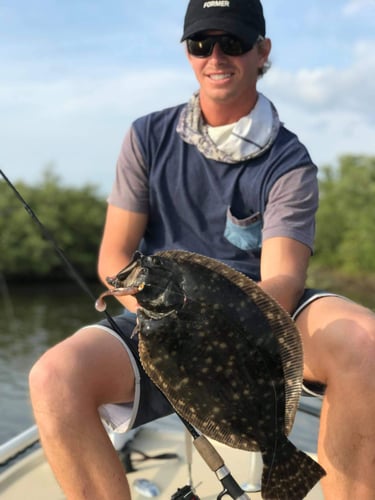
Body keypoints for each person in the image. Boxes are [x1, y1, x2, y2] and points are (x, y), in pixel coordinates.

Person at [29, 0, 375, 498]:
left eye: (232, 42)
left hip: (256, 318)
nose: (216, 55)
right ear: (189, 53)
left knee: (363, 340)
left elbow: (281, 280)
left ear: (262, 51)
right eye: (201, 43)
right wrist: (163, 319)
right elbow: (114, 260)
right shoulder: (146, 137)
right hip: (161, 316)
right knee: (53, 377)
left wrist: (210, 325)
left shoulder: (289, 161)